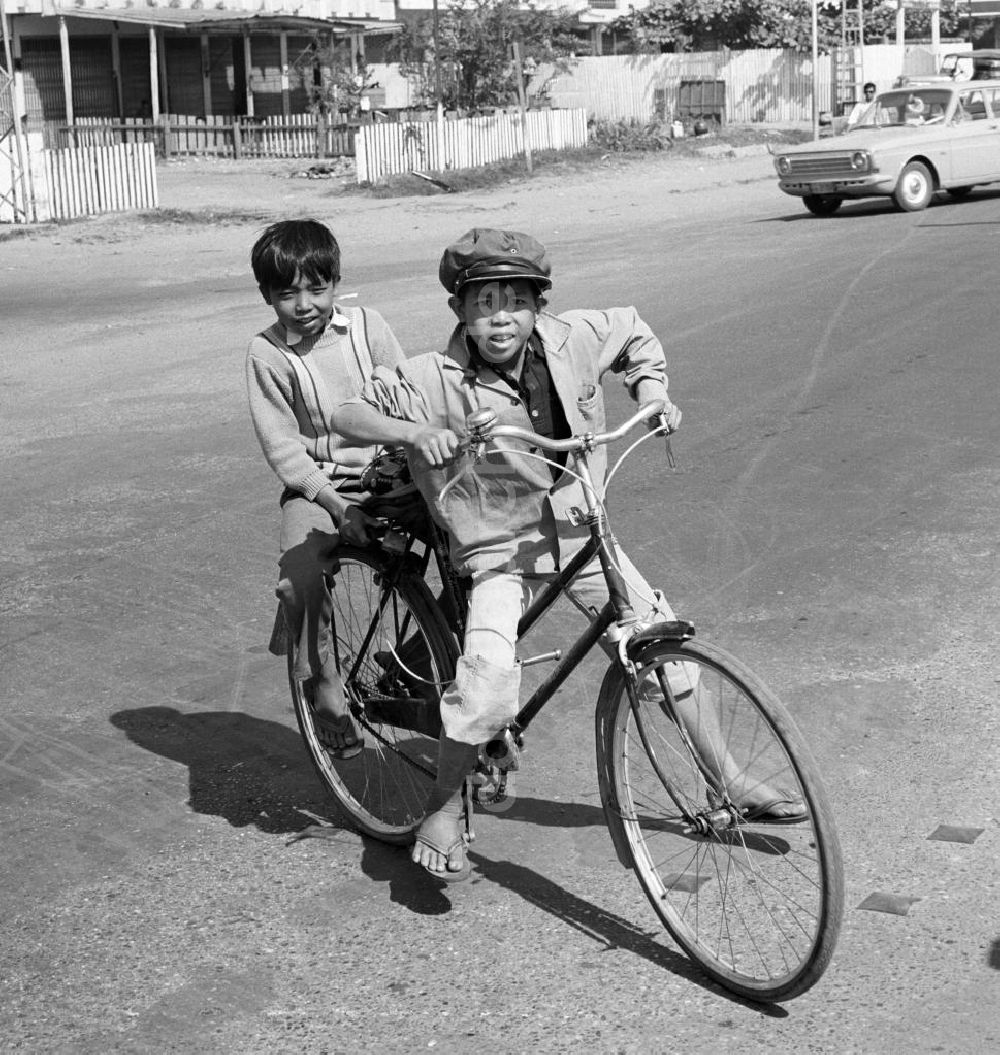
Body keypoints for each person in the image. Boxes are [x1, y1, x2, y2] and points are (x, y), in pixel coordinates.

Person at [336, 227, 806, 882]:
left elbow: (635, 333)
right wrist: (418, 431)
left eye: (515, 301)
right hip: (499, 549)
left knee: (659, 637)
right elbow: (349, 412)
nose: (499, 317)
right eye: (482, 303)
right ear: (461, 312)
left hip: (581, 530)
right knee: (491, 679)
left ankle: (724, 777)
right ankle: (442, 806)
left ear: (538, 304)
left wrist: (651, 393)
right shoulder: (433, 377)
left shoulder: (572, 338)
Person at [245, 219, 405, 758]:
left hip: (390, 473)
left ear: (336, 283)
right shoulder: (267, 355)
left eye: (317, 288)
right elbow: (285, 449)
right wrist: (336, 507)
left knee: (465, 554)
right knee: (300, 577)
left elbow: (407, 395)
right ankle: (319, 683)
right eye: (287, 292)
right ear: (266, 294)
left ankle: (415, 662)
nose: (304, 304)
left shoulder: (369, 326)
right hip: (319, 487)